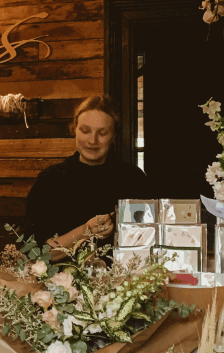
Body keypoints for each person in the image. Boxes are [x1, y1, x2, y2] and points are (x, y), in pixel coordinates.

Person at [24, 95, 150, 261]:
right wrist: (85, 231)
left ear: (113, 136)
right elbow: (36, 254)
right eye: (85, 131)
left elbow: (149, 243)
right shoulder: (50, 180)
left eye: (102, 133)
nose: (93, 140)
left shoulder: (133, 179)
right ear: (74, 129)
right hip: (59, 285)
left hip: (122, 284)